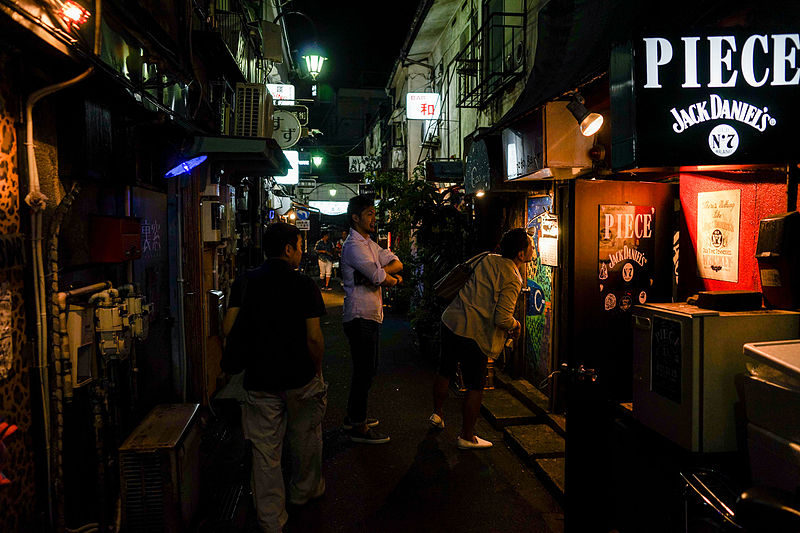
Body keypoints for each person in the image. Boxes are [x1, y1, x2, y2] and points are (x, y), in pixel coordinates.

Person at [223, 222, 327, 532]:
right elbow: (314, 338)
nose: (301, 251)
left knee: (265, 451)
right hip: (301, 378)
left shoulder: (244, 282)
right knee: (306, 438)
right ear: (288, 250)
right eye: (299, 245)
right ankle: (302, 493)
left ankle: (271, 519)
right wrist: (318, 368)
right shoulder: (304, 285)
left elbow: (228, 329)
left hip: (260, 379)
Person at [430, 228, 533, 449]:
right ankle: (467, 436)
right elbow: (502, 318)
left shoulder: (486, 258)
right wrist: (517, 325)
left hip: (452, 320)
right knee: (475, 385)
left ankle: (437, 414)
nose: (533, 249)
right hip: (474, 333)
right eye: (531, 246)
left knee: (445, 369)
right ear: (521, 255)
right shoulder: (513, 277)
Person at [340, 195, 403, 444]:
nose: (373, 218)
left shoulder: (369, 243)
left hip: (371, 315)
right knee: (364, 370)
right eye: (368, 213)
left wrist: (380, 274)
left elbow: (396, 263)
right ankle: (358, 425)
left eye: (374, 213)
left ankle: (354, 416)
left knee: (367, 369)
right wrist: (385, 277)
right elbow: (379, 277)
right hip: (359, 315)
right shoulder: (353, 246)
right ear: (355, 217)